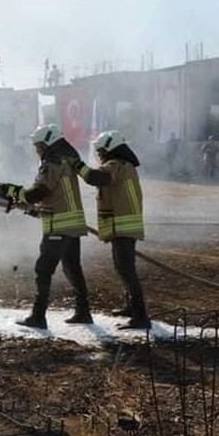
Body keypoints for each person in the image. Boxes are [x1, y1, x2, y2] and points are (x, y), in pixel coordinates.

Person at [0, 124, 93, 329]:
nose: (36, 150)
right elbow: (54, 199)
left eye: (38, 146)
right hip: (71, 226)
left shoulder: (51, 165)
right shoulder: (65, 163)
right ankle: (83, 313)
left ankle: (38, 317)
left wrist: (7, 188)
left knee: (43, 270)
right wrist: (27, 208)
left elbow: (34, 194)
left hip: (58, 228)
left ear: (46, 143)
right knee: (73, 269)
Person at [75, 130, 150, 330]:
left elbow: (94, 177)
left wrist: (77, 165)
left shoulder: (116, 165)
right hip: (124, 226)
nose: (99, 154)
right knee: (123, 268)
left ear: (110, 148)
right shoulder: (124, 166)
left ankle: (141, 316)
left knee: (126, 270)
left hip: (123, 226)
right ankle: (130, 307)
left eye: (100, 150)